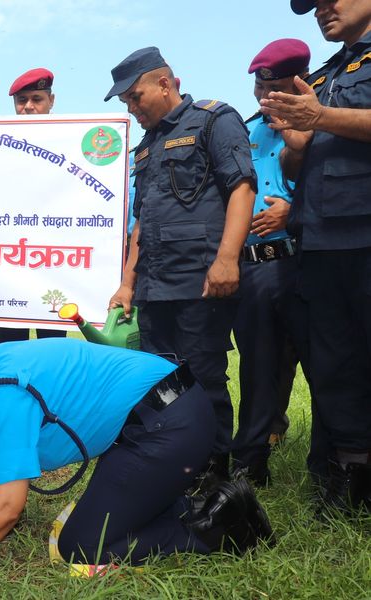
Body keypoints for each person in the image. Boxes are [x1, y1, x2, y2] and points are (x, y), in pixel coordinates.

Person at [0, 327, 273, 575]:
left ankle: (219, 530)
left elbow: (6, 508)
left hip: (169, 425)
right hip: (153, 420)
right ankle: (200, 501)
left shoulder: (3, 397)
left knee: (82, 547)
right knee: (103, 520)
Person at [104, 47, 256, 485]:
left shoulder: (214, 119)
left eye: (135, 97)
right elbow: (141, 221)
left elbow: (242, 188)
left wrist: (228, 259)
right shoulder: (146, 148)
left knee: (203, 379)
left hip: (199, 281)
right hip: (154, 288)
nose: (131, 109)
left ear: (165, 84)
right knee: (158, 382)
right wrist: (127, 282)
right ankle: (172, 468)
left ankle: (211, 477)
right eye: (125, 102)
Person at [262, 0, 371, 514]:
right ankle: (348, 481)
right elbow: (296, 156)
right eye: (314, 5)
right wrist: (298, 141)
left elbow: (331, 121)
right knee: (334, 365)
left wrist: (323, 115)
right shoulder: (326, 74)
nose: (322, 9)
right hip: (322, 236)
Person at [230, 39, 327, 487]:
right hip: (255, 269)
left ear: (298, 82)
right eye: (258, 85)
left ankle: (334, 466)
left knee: (327, 365)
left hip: (307, 261)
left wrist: (294, 208)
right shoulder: (244, 132)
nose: (263, 95)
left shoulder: (328, 122)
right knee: (258, 368)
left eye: (273, 86)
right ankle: (250, 465)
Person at [0, 68, 66, 344]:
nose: (28, 107)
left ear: (51, 101)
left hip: (55, 262)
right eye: (21, 100)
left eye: (36, 99)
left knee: (52, 342)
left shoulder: (68, 142)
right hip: (8, 261)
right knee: (11, 342)